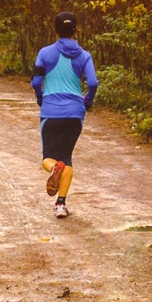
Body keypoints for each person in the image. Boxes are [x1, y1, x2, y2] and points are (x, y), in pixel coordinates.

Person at [31, 12, 97, 219]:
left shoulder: (45, 53)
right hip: (75, 112)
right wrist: (87, 101)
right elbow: (93, 83)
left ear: (55, 30)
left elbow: (35, 81)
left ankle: (54, 168)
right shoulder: (84, 55)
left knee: (48, 158)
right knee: (66, 158)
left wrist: (41, 97)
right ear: (76, 29)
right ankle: (60, 204)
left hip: (51, 110)